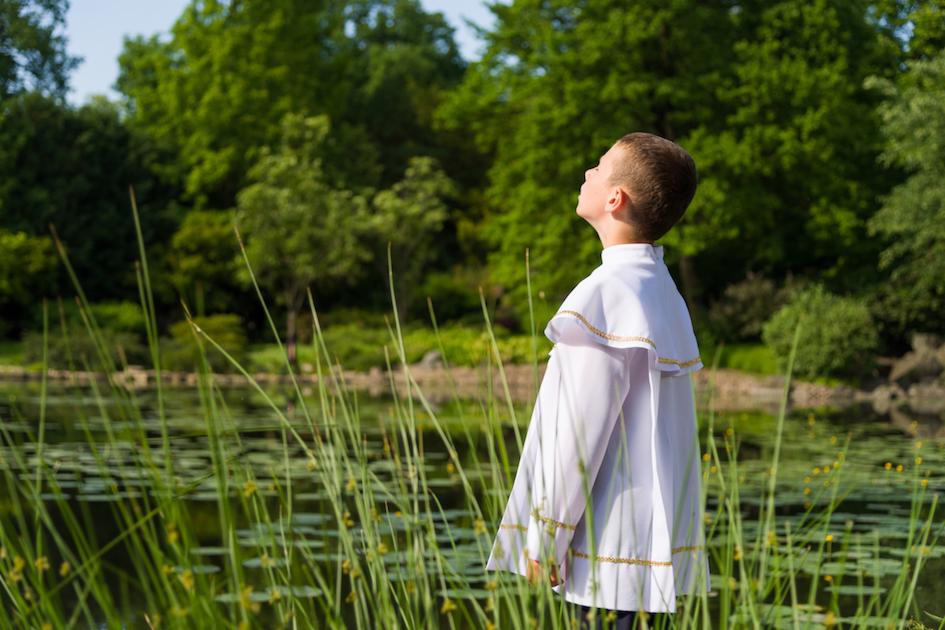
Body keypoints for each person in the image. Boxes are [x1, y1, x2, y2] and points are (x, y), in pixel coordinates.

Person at [485, 132, 709, 627]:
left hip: (609, 549)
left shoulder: (608, 291)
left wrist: (547, 536)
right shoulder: (659, 288)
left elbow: (580, 433)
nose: (587, 172)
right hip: (645, 551)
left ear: (615, 198)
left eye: (599, 165)